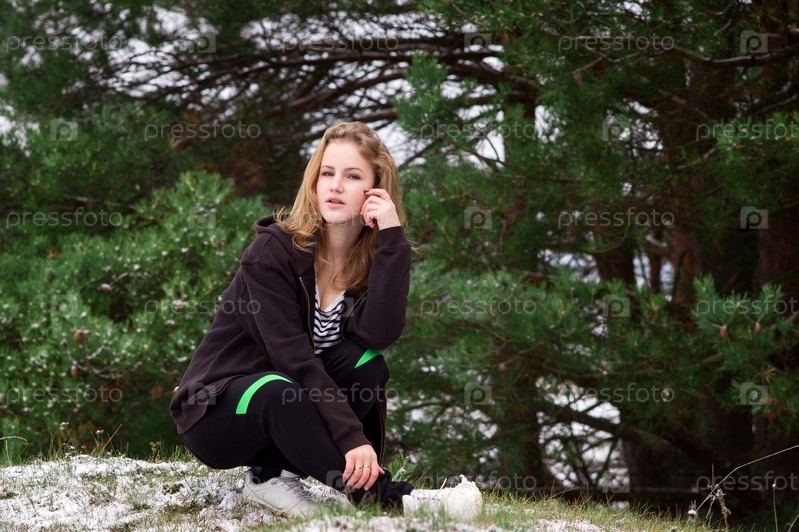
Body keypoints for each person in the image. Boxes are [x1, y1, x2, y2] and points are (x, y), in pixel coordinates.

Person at [169, 121, 482, 519]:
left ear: (376, 190)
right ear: (314, 182)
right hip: (216, 412)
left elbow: (379, 334)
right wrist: (351, 437)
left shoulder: (365, 265)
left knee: (368, 363)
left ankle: (271, 476)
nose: (335, 186)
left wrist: (392, 238)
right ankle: (389, 499)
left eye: (352, 176)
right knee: (279, 388)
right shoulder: (271, 254)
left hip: (287, 401)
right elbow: (295, 361)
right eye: (327, 173)